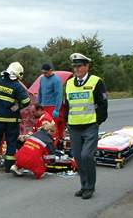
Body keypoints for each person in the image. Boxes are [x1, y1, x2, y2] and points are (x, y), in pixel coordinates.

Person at [65, 53, 108, 200]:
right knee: (78, 157)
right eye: (75, 66)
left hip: (90, 125)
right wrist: (66, 122)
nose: (77, 69)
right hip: (74, 127)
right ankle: (84, 185)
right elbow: (67, 105)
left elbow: (103, 104)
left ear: (86, 66)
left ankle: (90, 187)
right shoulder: (69, 83)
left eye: (80, 66)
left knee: (86, 156)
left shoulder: (96, 82)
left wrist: (98, 122)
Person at [0, 62, 31, 173]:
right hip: (11, 120)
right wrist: (17, 105)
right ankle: (9, 167)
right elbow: (27, 101)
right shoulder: (17, 86)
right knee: (11, 143)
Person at [38, 63, 63, 138]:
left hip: (52, 107)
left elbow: (59, 95)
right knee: (43, 127)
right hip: (43, 107)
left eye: (46, 72)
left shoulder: (56, 80)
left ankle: (54, 145)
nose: (44, 74)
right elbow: (40, 92)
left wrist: (57, 109)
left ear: (51, 71)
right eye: (43, 73)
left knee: (52, 128)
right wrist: (38, 104)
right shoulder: (42, 78)